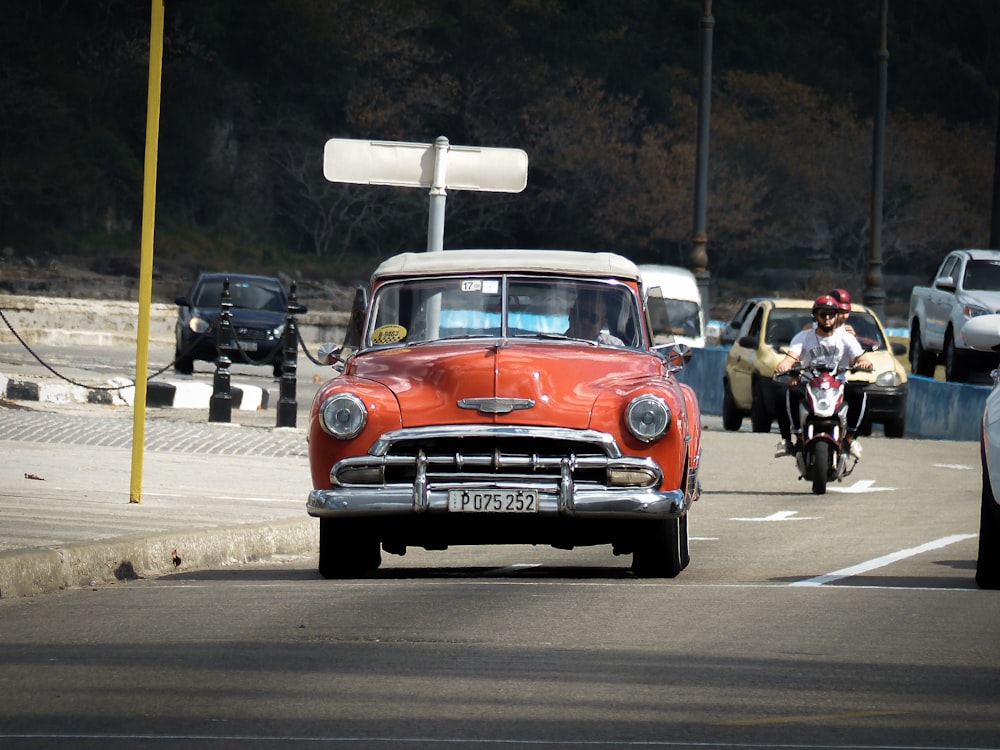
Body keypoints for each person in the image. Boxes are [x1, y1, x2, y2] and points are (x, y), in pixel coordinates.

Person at [773, 295, 873, 459]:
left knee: (861, 396)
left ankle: (850, 439)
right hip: (809, 384)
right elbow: (791, 357)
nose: (827, 318)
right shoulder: (803, 337)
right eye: (823, 314)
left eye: (831, 314)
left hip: (837, 384)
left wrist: (864, 363)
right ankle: (792, 439)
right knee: (786, 393)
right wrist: (785, 365)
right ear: (815, 316)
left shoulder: (846, 338)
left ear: (836, 316)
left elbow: (860, 357)